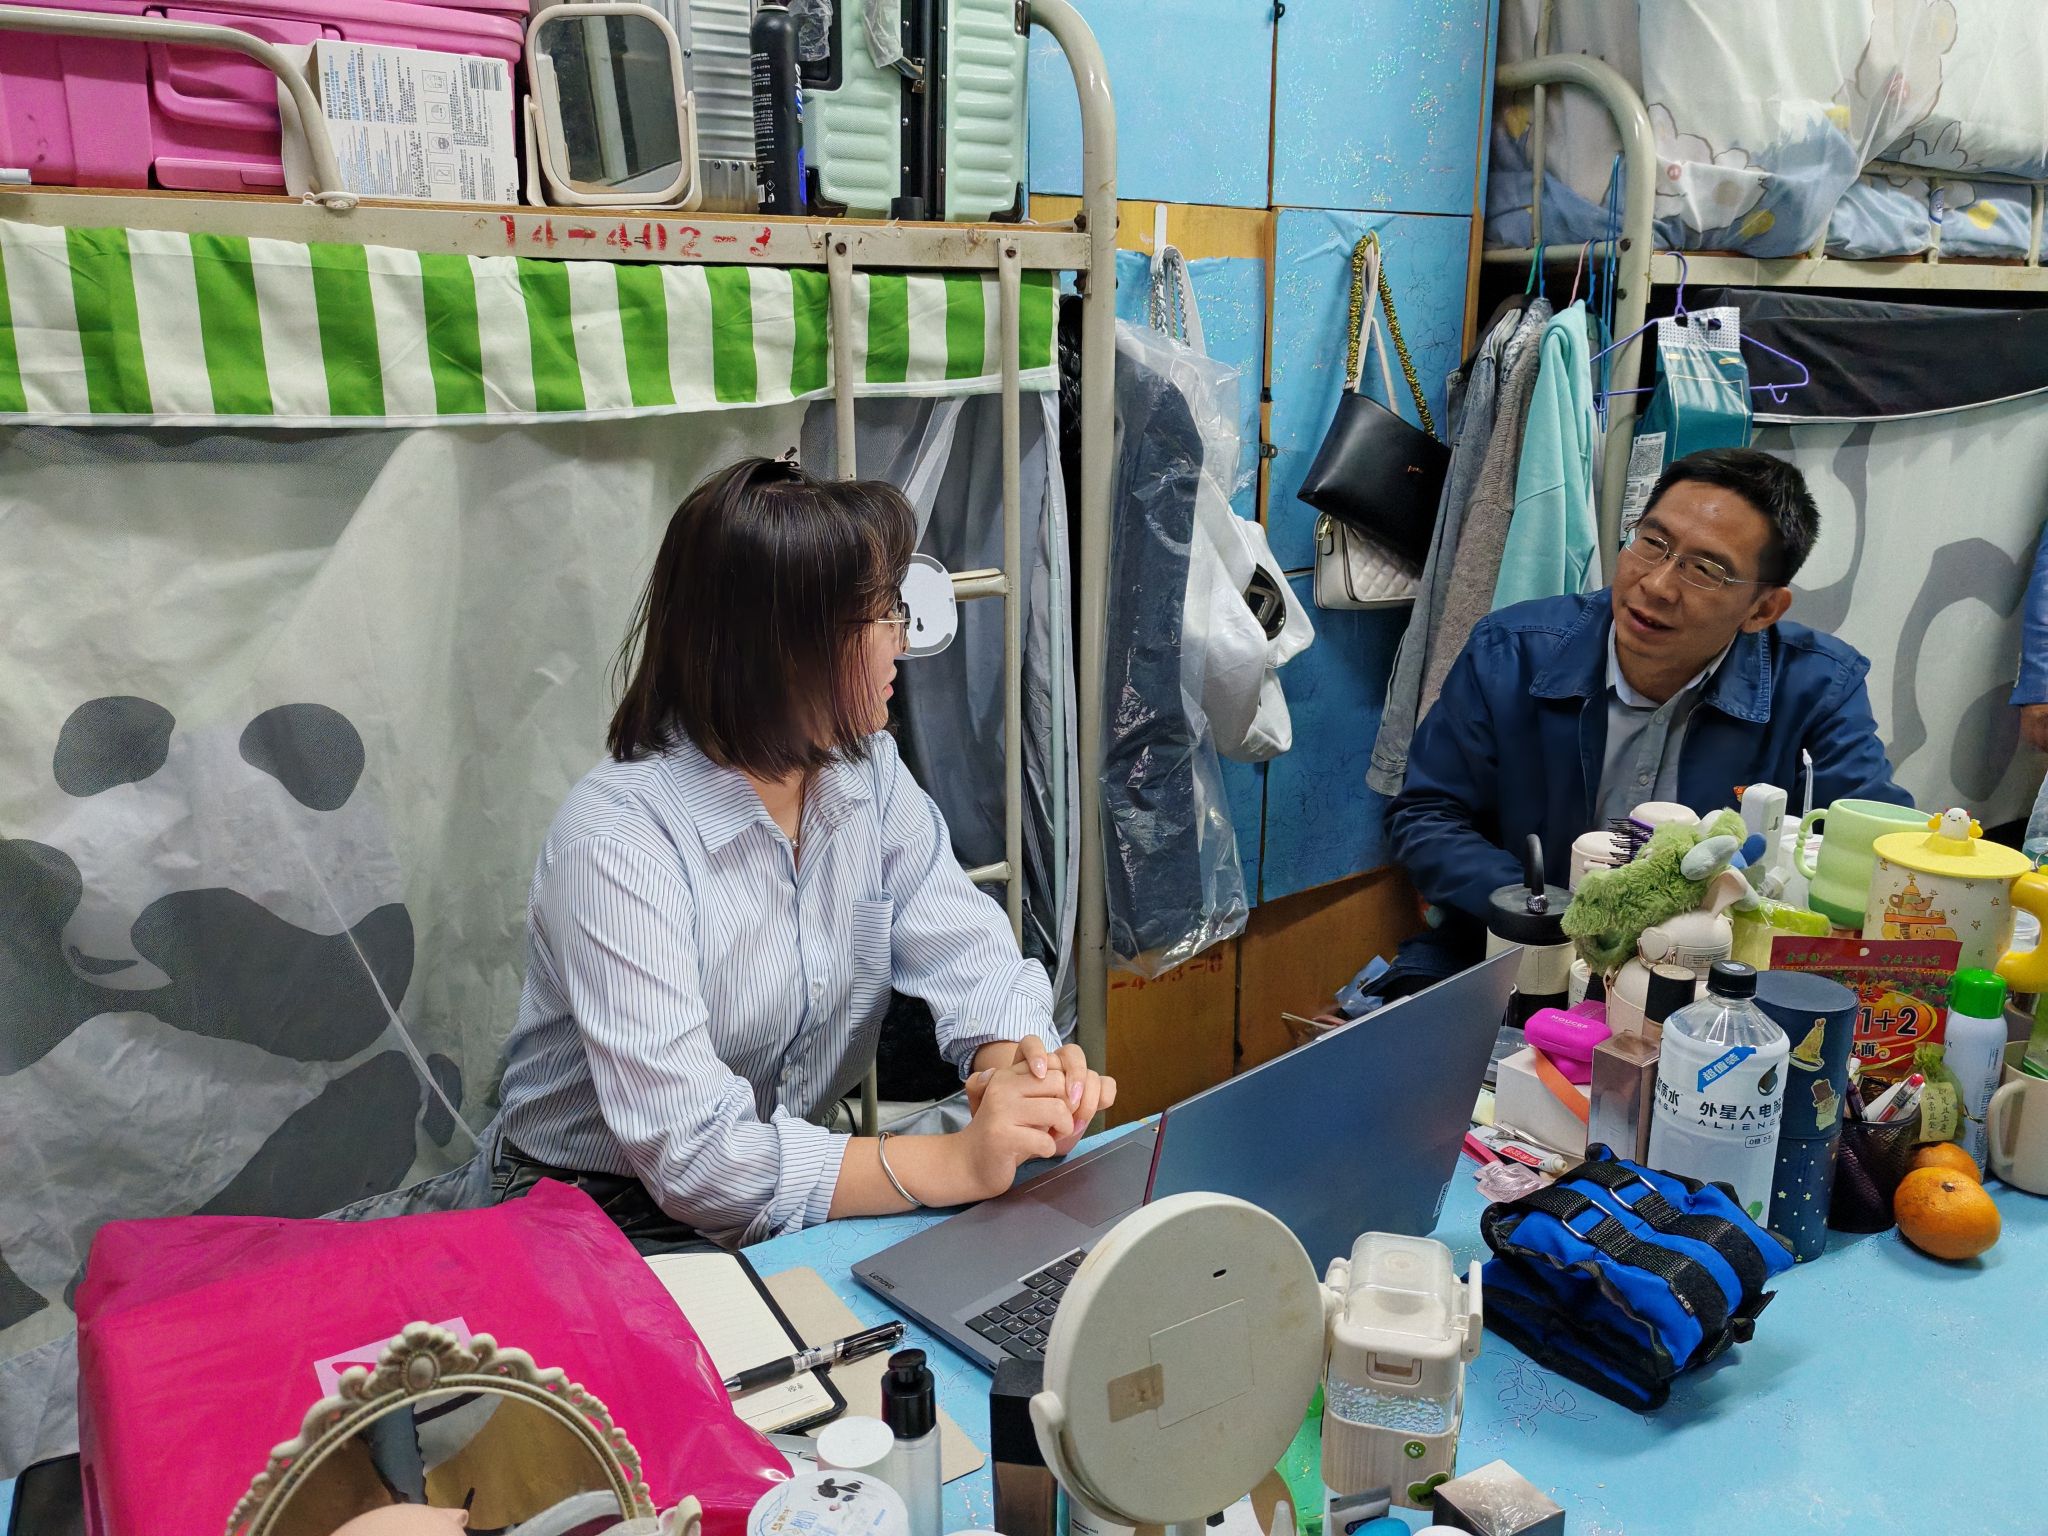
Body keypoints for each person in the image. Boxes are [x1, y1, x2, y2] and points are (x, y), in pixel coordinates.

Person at [490, 457, 1113, 1246]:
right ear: (782, 649)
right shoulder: (616, 843)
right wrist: (953, 1161)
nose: (903, 639)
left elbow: (971, 957)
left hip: (774, 1186)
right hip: (593, 1209)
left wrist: (1019, 1071)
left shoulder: (865, 775)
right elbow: (697, 1158)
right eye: (882, 614)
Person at [1388, 446, 1910, 974]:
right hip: (1516, 944)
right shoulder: (1513, 652)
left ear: (1763, 609)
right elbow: (1428, 815)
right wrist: (1551, 911)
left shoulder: (1818, 687)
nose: (1656, 585)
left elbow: (1885, 852)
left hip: (1717, 966)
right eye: (1652, 543)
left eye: (1705, 570)